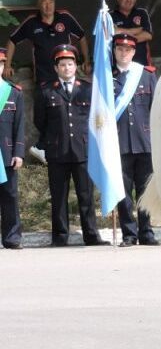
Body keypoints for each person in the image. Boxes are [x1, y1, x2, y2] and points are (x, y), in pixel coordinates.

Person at [7, 0, 91, 165]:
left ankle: (44, 147)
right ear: (38, 5)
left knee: (65, 114)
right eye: (43, 2)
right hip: (44, 78)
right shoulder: (31, 22)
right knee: (43, 115)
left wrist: (86, 60)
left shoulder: (65, 18)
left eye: (51, 1)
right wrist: (7, 65)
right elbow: (12, 40)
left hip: (66, 77)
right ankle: (43, 146)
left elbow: (81, 36)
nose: (47, 5)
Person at [36, 45, 108, 246]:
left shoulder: (87, 89)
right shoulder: (46, 91)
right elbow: (39, 121)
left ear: (76, 66)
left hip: (83, 150)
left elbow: (95, 118)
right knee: (59, 197)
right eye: (62, 64)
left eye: (70, 64)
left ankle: (91, 235)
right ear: (56, 68)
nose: (67, 68)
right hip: (57, 151)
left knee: (86, 196)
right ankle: (60, 237)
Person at [111, 34, 159, 246]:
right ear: (114, 51)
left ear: (133, 52)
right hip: (119, 143)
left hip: (144, 141)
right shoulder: (106, 77)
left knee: (145, 190)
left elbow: (156, 110)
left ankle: (146, 232)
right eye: (120, 49)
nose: (123, 53)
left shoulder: (147, 75)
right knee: (123, 192)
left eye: (127, 50)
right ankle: (129, 233)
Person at [0, 48, 25, 249]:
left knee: (10, 196)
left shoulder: (14, 92)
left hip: (6, 153)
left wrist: (18, 153)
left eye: (0, 64)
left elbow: (20, 126)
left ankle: (12, 237)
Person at [109, 0, 155, 67]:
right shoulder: (109, 16)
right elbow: (111, 36)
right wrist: (135, 31)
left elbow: (148, 35)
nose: (129, 0)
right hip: (118, 67)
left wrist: (121, 32)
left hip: (142, 65)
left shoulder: (142, 13)